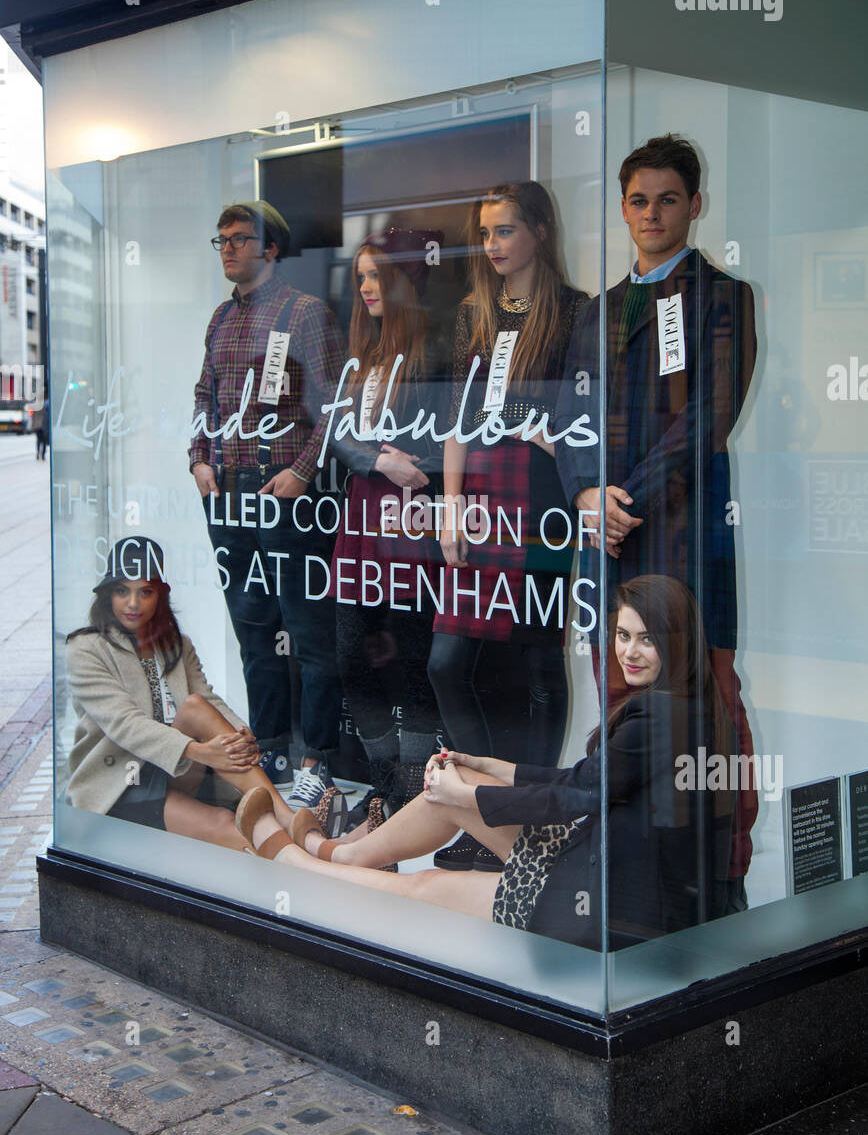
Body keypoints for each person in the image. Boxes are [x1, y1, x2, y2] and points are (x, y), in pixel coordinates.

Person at [236, 575, 735, 946]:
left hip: (608, 908)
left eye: (647, 638)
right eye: (623, 635)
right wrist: (490, 768)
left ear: (678, 641)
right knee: (459, 780)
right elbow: (586, 781)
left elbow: (575, 795)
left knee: (427, 883)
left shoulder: (659, 713)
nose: (630, 651)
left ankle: (298, 864)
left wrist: (469, 794)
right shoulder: (682, 703)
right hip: (606, 869)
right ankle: (338, 856)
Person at [554, 135, 758, 912]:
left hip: (680, 537)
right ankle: (626, 859)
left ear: (695, 206)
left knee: (710, 698)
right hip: (604, 537)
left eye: (667, 198)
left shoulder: (723, 297)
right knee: (618, 694)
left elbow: (706, 418)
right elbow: (568, 411)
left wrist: (621, 500)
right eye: (637, 200)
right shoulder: (599, 311)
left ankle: (721, 877)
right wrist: (582, 495)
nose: (651, 213)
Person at [426, 181, 589, 871]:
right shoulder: (474, 314)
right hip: (482, 496)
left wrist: (550, 434)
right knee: (447, 662)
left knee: (535, 661)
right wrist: (452, 501)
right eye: (486, 232)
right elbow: (460, 419)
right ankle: (479, 810)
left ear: (541, 231)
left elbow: (585, 419)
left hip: (542, 498)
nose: (492, 245)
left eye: (506, 230)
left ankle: (526, 826)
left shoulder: (578, 312)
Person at [189, 200, 347, 806]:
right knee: (254, 631)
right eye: (221, 240)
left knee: (308, 633)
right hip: (226, 496)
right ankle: (271, 752)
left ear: (271, 248)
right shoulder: (219, 320)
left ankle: (318, 763)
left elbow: (334, 405)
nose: (228, 248)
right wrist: (199, 458)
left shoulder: (305, 313)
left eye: (239, 239)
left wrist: (302, 474)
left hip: (283, 494)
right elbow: (205, 394)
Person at [325, 229, 452, 831]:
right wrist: (374, 460)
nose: (369, 288)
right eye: (362, 278)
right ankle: (386, 788)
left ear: (406, 278)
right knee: (354, 655)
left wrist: (409, 464)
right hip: (362, 517)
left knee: (412, 658)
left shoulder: (433, 347)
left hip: (410, 522)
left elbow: (452, 437)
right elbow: (338, 434)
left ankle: (408, 798)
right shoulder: (366, 352)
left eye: (378, 275)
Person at [64, 536, 292, 848]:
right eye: (122, 591)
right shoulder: (86, 649)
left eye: (145, 591)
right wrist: (197, 751)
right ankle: (312, 859)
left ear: (159, 595)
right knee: (227, 823)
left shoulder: (176, 643)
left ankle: (287, 818)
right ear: (107, 596)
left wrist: (241, 734)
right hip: (124, 781)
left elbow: (207, 700)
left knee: (196, 705)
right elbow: (125, 724)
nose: (132, 603)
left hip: (176, 771)